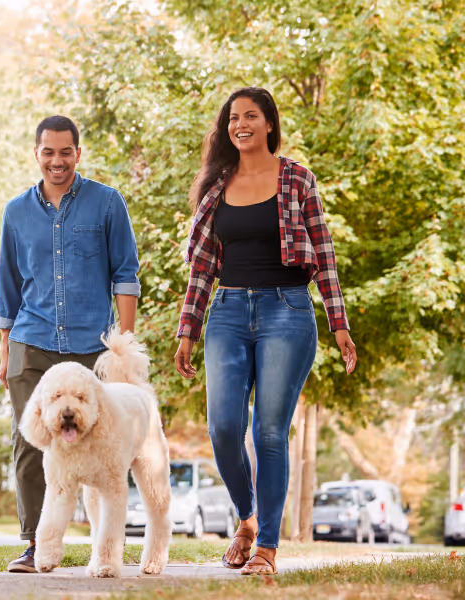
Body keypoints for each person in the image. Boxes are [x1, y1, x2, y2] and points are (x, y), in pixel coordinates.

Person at [173, 87, 358, 575]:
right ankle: (248, 518)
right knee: (223, 427)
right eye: (234, 118)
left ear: (269, 124)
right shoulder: (217, 186)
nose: (241, 124)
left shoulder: (298, 179)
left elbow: (324, 254)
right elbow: (201, 267)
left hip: (287, 312)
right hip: (228, 312)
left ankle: (267, 549)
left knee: (269, 432)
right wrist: (187, 329)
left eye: (251, 115)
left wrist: (339, 324)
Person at [0, 115, 141, 573]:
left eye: (65, 152)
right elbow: (8, 287)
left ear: (78, 153)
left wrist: (124, 345)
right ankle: (35, 544)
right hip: (31, 340)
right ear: (36, 153)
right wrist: (5, 354)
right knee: (30, 443)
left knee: (103, 443)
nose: (56, 161)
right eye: (47, 152)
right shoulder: (16, 212)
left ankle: (105, 544)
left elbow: (126, 275)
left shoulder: (106, 203)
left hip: (90, 347)